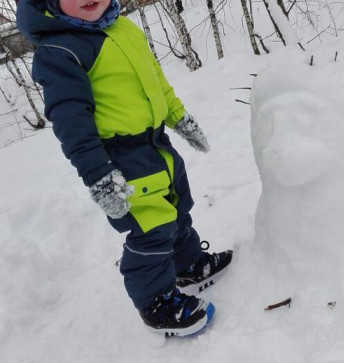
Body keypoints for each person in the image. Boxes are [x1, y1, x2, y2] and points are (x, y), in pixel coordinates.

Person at [17, 0, 232, 337]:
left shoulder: (124, 28)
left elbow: (156, 81)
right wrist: (100, 177)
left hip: (156, 143)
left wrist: (179, 117)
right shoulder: (60, 52)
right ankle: (155, 302)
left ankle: (187, 263)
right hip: (120, 157)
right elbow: (72, 125)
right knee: (151, 226)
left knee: (177, 207)